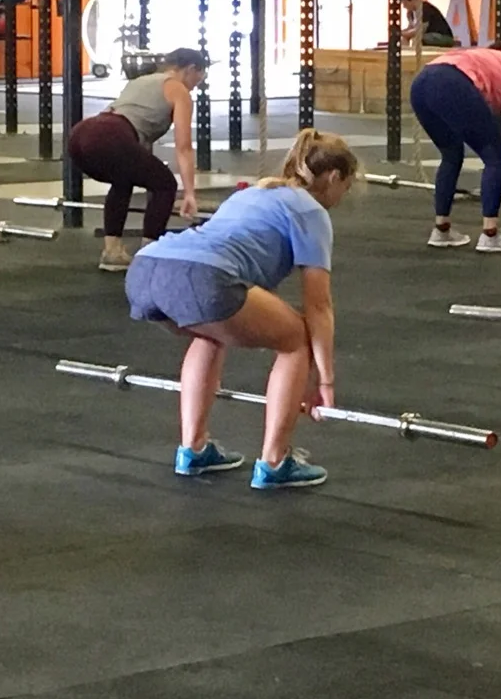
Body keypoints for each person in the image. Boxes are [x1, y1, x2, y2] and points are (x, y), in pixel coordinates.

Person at [124, 129, 359, 490]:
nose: (344, 195)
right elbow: (318, 305)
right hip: (202, 277)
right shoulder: (311, 211)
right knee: (297, 338)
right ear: (333, 177)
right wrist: (324, 380)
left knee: (209, 332)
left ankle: (194, 449)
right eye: (347, 186)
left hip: (145, 269)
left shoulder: (253, 193)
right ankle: (275, 462)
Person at [67, 47, 205, 273]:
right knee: (165, 184)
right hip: (111, 135)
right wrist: (189, 193)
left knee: (123, 179)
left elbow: (137, 142)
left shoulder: (141, 81)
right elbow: (183, 147)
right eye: (199, 77)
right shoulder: (178, 90)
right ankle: (149, 254)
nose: (196, 85)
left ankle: (112, 252)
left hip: (80, 135)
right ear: (191, 69)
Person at [408, 36, 501, 254]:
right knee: (495, 155)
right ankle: (490, 234)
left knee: (451, 153)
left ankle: (441, 230)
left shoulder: (492, 59)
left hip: (420, 84)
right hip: (450, 82)